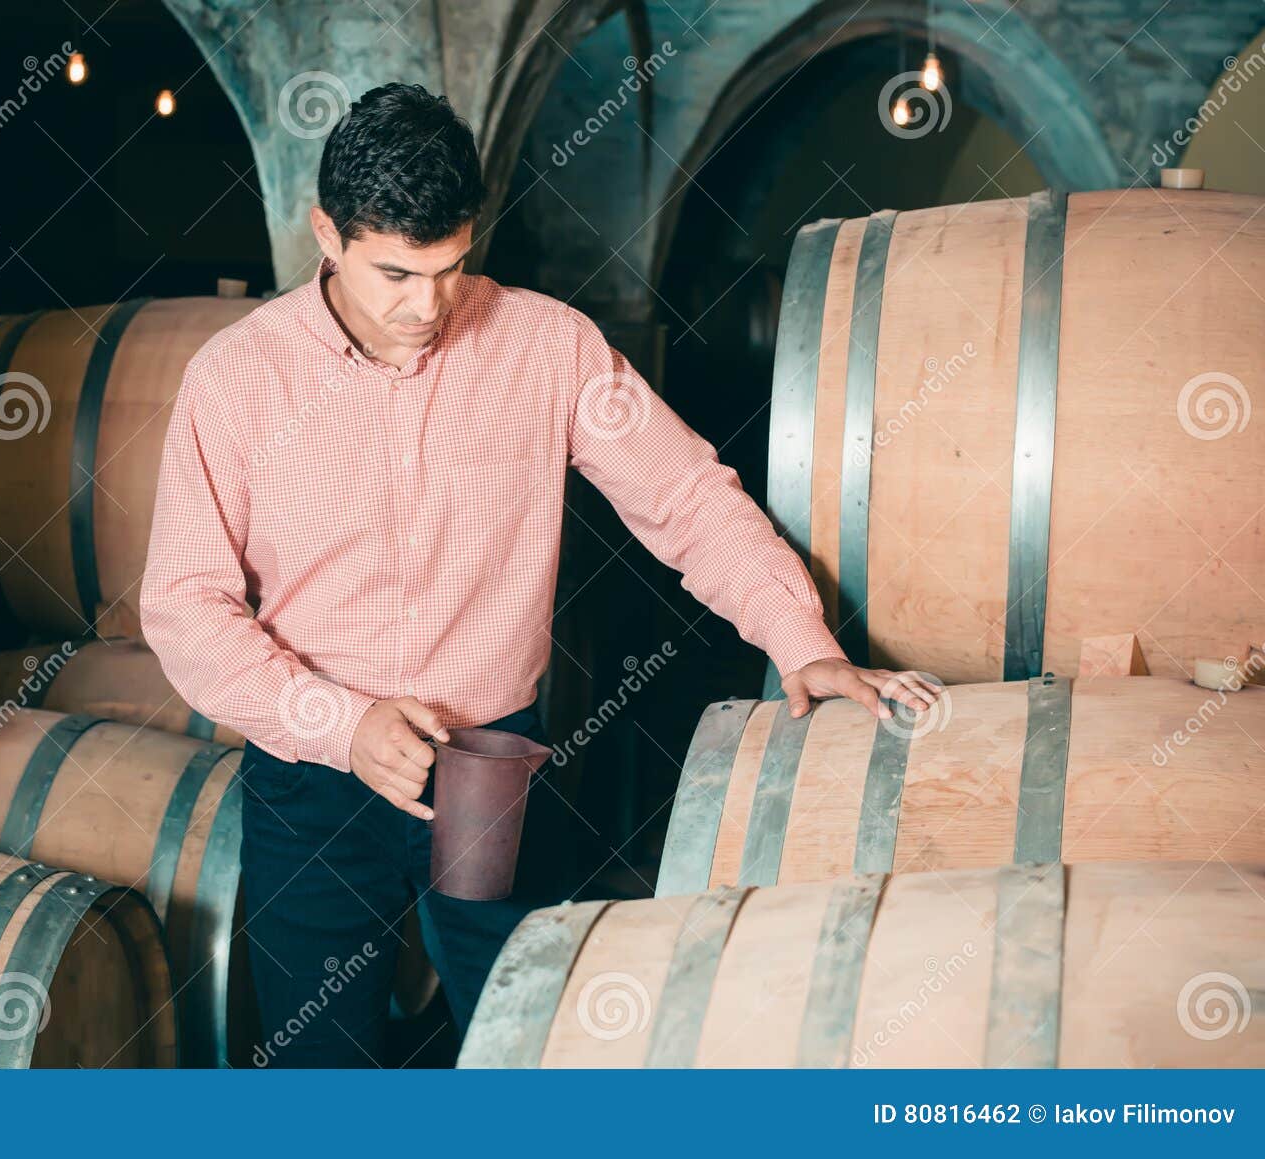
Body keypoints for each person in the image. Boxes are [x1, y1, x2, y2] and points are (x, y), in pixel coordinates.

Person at [140, 82, 942, 1067]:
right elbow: (185, 609)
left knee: (527, 1047)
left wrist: (799, 637)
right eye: (395, 272)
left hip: (492, 771)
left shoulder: (547, 345)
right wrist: (342, 726)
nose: (428, 306)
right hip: (313, 783)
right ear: (326, 234)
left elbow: (685, 498)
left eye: (450, 266)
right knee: (319, 1078)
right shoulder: (234, 377)